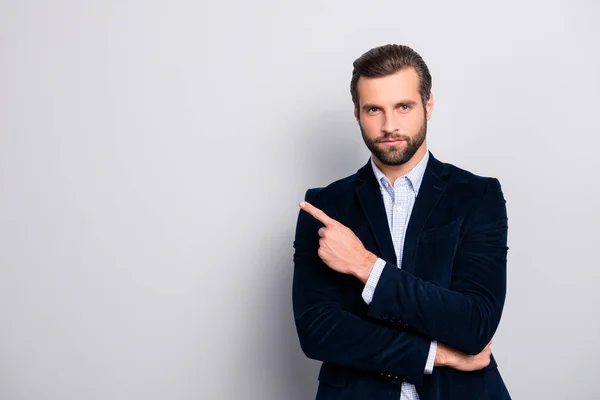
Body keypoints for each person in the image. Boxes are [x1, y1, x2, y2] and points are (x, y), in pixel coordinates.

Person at [292, 44, 511, 400]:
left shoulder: (477, 196)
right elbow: (319, 331)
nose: (389, 125)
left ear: (428, 105)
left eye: (403, 107)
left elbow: (474, 324)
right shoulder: (323, 207)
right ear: (356, 114)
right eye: (374, 110)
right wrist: (436, 355)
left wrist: (364, 266)